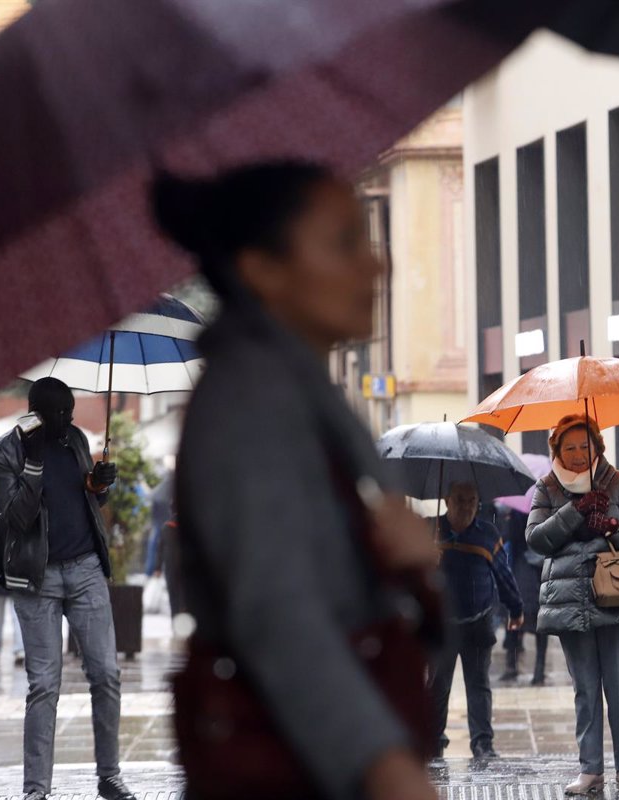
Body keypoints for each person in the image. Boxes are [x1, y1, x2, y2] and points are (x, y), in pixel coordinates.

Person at [152, 162, 439, 800]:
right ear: (263, 270)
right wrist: (384, 765)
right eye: (344, 244)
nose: (376, 266)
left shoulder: (293, 393)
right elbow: (276, 609)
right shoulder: (251, 401)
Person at [0, 377, 133, 800]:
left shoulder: (76, 439)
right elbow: (16, 517)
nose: (65, 420)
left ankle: (110, 776)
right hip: (36, 578)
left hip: (85, 570)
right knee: (44, 684)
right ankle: (36, 790)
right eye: (56, 413)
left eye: (69, 411)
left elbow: (86, 499)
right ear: (34, 410)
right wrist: (33, 464)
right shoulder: (2, 453)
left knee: (106, 674)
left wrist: (100, 483)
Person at [526, 415, 619, 797]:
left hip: (618, 598)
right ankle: (590, 770)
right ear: (557, 451)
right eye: (570, 448)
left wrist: (612, 525)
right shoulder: (547, 488)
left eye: (586, 446)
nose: (579, 455)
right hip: (570, 603)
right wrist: (575, 511)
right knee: (585, 689)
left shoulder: (618, 482)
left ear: (598, 447)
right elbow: (536, 538)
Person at [430, 482, 524, 759]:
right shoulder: (429, 529)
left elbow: (503, 575)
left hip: (478, 621)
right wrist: (425, 559)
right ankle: (433, 739)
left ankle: (483, 743)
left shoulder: (487, 533)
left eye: (472, 500)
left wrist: (515, 609)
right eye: (460, 499)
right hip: (440, 624)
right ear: (446, 501)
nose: (467, 506)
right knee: (437, 684)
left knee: (479, 684)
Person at [497, 503, 547, 685]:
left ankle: (512, 666)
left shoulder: (518, 511)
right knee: (540, 622)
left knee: (517, 614)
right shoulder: (546, 507)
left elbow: (512, 537)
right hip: (541, 571)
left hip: (523, 571)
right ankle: (538, 670)